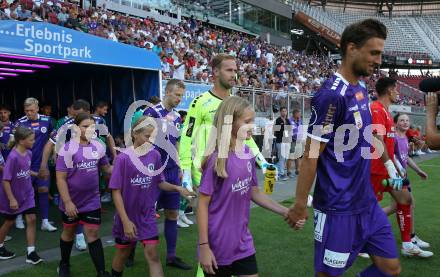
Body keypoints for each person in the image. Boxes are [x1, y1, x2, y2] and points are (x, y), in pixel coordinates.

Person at [286, 19, 401, 276]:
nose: (379, 60)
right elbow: (311, 155)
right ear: (351, 48)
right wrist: (300, 203)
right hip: (338, 208)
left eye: (380, 53)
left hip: (366, 202)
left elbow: (369, 133)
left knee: (390, 269)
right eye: (374, 52)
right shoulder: (331, 95)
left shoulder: (360, 88)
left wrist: (390, 166)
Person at [197, 96, 295, 277]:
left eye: (253, 121)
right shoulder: (217, 159)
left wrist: (284, 211)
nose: (253, 126)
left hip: (243, 241)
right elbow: (202, 204)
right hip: (218, 243)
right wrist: (203, 246)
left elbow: (254, 192)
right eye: (247, 121)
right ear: (229, 123)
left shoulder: (249, 154)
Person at [109, 116, 194, 277]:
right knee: (122, 253)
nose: (151, 140)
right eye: (147, 136)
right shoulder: (123, 159)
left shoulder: (155, 155)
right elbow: (116, 192)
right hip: (127, 217)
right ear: (135, 134)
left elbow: (159, 182)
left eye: (154, 137)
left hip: (147, 215)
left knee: (153, 255)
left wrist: (177, 188)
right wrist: (126, 221)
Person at [179, 53, 270, 197]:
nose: (234, 74)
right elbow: (187, 135)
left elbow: (245, 134)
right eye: (229, 70)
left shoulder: (236, 103)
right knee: (209, 217)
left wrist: (261, 160)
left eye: (235, 71)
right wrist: (186, 170)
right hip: (205, 172)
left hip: (232, 170)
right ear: (215, 71)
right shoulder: (200, 102)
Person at [370, 77, 432, 257]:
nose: (398, 92)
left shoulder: (387, 112)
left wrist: (394, 166)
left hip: (388, 171)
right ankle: (355, 242)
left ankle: (407, 245)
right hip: (374, 169)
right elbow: (376, 139)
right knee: (364, 210)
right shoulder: (376, 109)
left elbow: (389, 146)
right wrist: (390, 165)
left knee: (406, 200)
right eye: (396, 89)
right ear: (389, 90)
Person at [56, 113, 113, 277]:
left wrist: (124, 164)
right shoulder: (67, 149)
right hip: (71, 201)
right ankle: (64, 264)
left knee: (93, 234)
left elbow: (106, 169)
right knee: (69, 232)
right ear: (76, 128)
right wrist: (67, 202)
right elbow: (60, 178)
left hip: (92, 201)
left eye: (92, 126)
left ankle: (101, 272)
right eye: (85, 126)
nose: (89, 129)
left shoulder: (98, 146)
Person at [41, 99, 97, 251]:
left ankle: (81, 235)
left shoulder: (95, 123)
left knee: (85, 205)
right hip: (68, 166)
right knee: (71, 203)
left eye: (80, 115)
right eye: (76, 115)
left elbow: (108, 137)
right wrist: (43, 165)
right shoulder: (65, 126)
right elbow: (49, 144)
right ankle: (78, 236)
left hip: (87, 164)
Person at [381, 113, 432, 254]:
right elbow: (393, 157)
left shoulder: (404, 138)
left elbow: (406, 157)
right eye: (402, 120)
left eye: (407, 120)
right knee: (407, 204)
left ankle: (411, 236)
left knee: (399, 206)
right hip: (397, 177)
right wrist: (399, 171)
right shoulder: (395, 138)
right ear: (396, 123)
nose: (405, 122)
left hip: (403, 176)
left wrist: (419, 170)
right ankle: (411, 238)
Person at [0, 127, 43, 264]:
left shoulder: (28, 153)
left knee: (31, 219)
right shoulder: (13, 157)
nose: (34, 141)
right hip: (13, 196)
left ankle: (31, 252)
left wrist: (37, 174)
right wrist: (12, 199)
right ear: (21, 141)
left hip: (27, 193)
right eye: (31, 139)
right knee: (9, 222)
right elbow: (6, 180)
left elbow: (25, 170)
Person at [13, 98, 57, 232]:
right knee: (22, 192)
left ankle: (44, 221)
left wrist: (54, 153)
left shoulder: (47, 120)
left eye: (32, 110)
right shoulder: (20, 123)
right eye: (26, 111)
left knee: (43, 190)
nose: (29, 113)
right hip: (24, 164)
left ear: (38, 108)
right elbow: (13, 144)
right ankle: (19, 216)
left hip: (41, 164)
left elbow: (53, 139)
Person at [274, 107, 290, 181]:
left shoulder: (288, 120)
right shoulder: (278, 120)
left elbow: (290, 130)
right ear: (280, 112)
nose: (284, 112)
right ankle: (281, 173)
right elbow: (276, 131)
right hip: (280, 141)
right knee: (282, 157)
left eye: (285, 111)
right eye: (283, 111)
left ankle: (277, 170)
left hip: (287, 141)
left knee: (286, 157)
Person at [287, 109, 303, 177]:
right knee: (291, 156)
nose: (299, 115)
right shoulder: (289, 121)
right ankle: (288, 171)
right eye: (298, 114)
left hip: (298, 140)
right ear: (294, 114)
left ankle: (298, 170)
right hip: (292, 141)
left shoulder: (300, 120)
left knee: (298, 156)